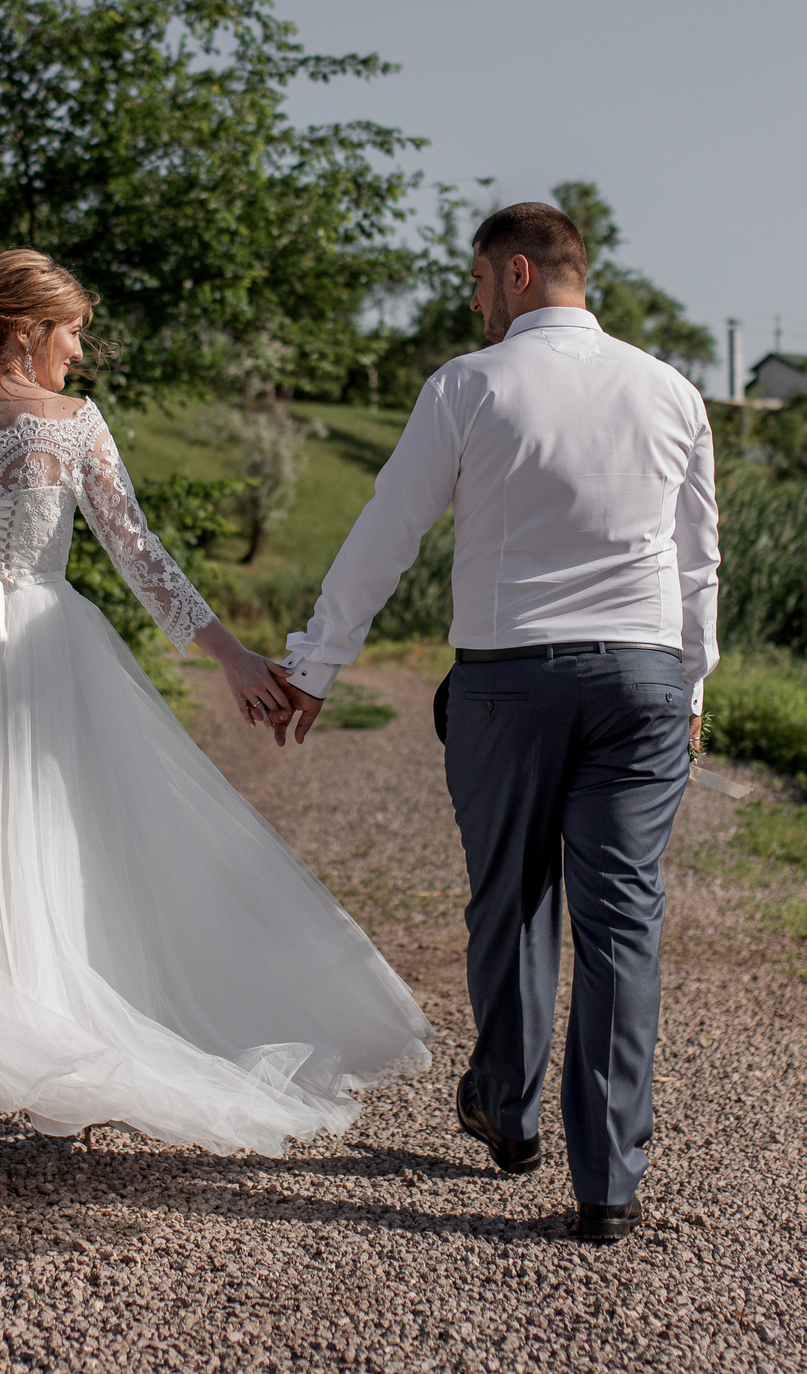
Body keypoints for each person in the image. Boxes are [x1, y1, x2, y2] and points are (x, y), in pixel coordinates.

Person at [0, 249, 430, 1202]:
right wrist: (233, 658)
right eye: (73, 331)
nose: (80, 352)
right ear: (27, 330)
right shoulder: (74, 423)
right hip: (43, 658)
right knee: (59, 863)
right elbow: (140, 556)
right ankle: (57, 1062)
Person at [275, 203, 718, 1243]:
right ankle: (607, 1184)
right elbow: (697, 558)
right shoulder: (672, 391)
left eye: (478, 282)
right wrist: (693, 686)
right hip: (642, 683)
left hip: (507, 683)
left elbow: (387, 530)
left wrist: (318, 663)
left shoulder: (468, 386)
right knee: (623, 924)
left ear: (517, 272)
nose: (475, 304)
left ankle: (511, 1115)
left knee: (512, 901)